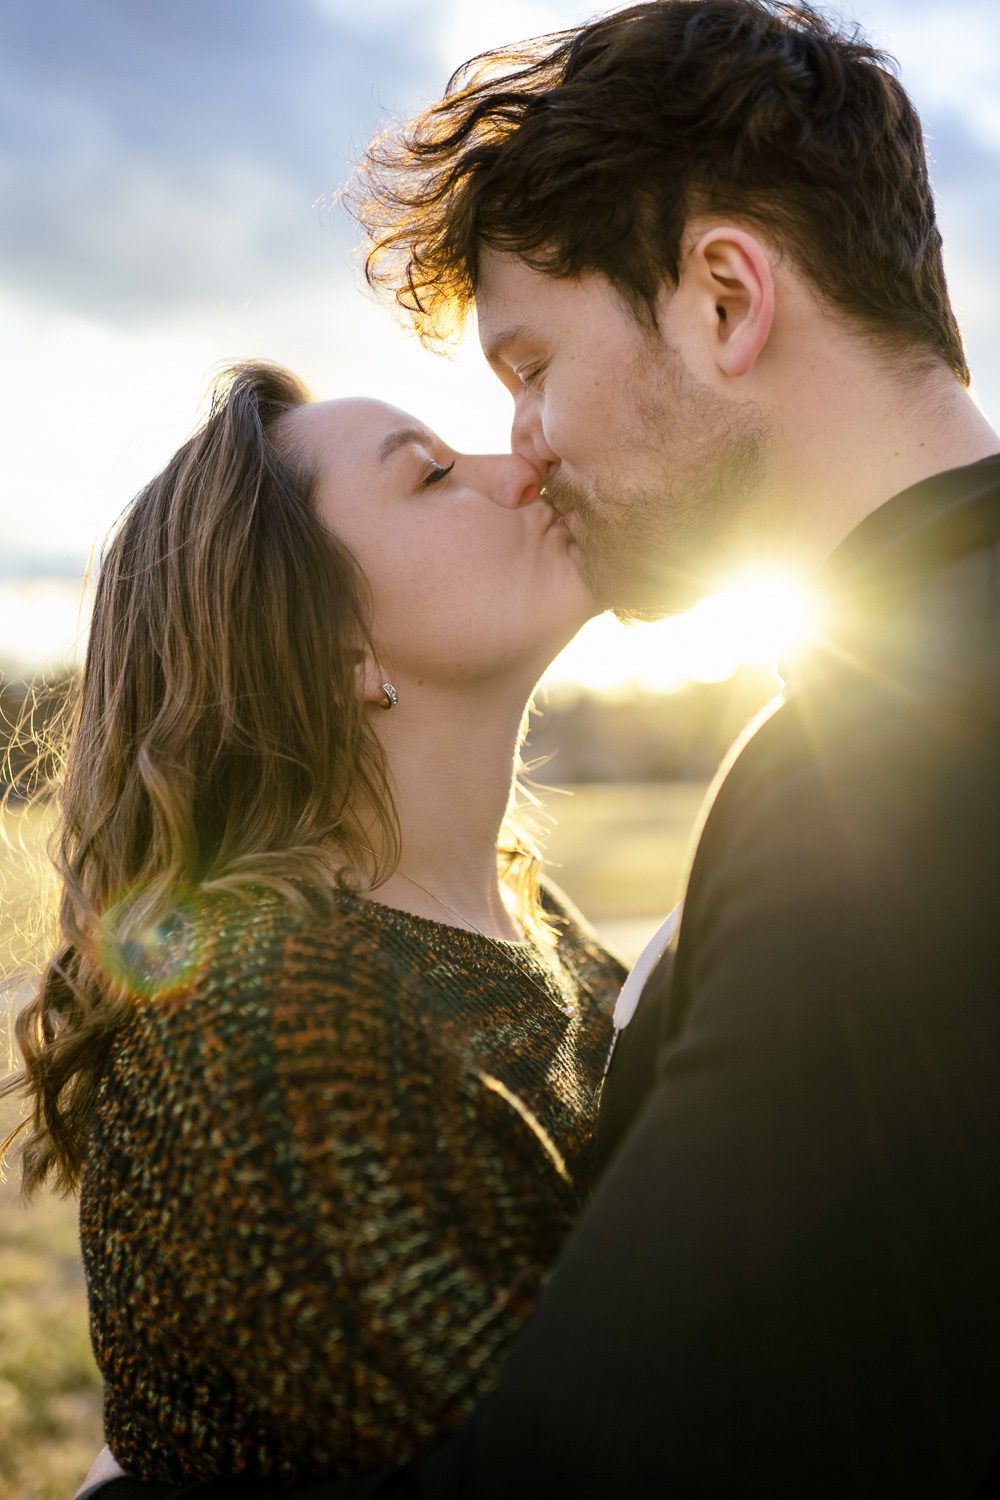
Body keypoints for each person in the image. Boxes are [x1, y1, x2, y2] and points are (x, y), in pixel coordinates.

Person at [79, 0, 1000, 1495]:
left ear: (723, 299)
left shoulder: (878, 768)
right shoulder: (855, 737)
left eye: (527, 364)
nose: (528, 449)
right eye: (461, 439)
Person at [0, 361, 628, 1489]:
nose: (519, 463)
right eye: (434, 474)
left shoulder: (528, 919)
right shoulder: (270, 1029)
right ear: (339, 655)